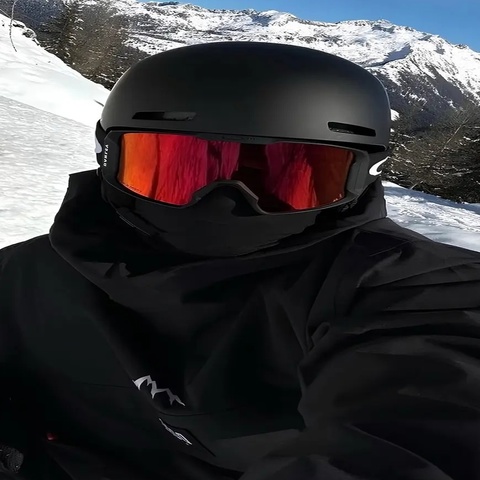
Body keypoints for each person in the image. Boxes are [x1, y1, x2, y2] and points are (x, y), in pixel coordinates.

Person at [1, 41, 479, 480]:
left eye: (288, 180)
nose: (224, 201)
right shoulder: (26, 274)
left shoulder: (410, 291)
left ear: (362, 177)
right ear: (108, 157)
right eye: (175, 168)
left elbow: (429, 431)